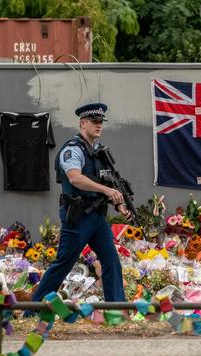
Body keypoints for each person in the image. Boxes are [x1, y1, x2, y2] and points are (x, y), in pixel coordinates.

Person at [30, 102, 132, 304]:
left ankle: (116, 311)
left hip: (97, 217)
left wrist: (119, 202)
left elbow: (108, 183)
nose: (99, 125)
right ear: (82, 124)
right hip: (77, 217)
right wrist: (106, 190)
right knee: (64, 264)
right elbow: (75, 178)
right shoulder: (73, 150)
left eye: (101, 121)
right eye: (94, 121)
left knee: (111, 261)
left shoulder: (99, 152)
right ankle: (33, 309)